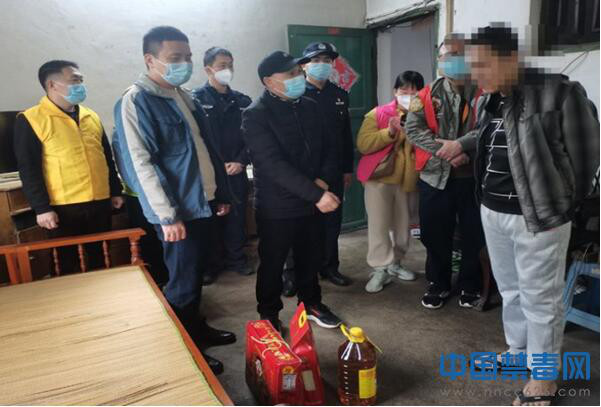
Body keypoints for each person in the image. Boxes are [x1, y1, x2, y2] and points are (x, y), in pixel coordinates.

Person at [467, 24, 599, 406]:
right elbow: (489, 145)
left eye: (483, 64)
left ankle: (543, 379)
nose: (476, 74)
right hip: (493, 211)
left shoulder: (560, 93)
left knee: (541, 298)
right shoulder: (489, 100)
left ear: (512, 59)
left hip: (539, 218)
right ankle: (518, 352)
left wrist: (562, 203)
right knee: (510, 290)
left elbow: (587, 156)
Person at [111, 26, 236, 375]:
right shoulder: (136, 100)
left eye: (188, 57)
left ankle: (196, 328)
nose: (185, 64)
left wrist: (219, 195)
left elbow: (205, 150)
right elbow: (140, 164)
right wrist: (167, 216)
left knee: (196, 275)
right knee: (181, 283)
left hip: (202, 203)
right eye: (175, 58)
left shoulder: (182, 95)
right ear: (150, 60)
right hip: (178, 212)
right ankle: (184, 350)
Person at [242, 50, 343, 331]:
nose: (298, 78)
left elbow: (330, 147)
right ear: (269, 81)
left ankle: (311, 304)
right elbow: (272, 164)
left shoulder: (310, 105)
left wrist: (323, 180)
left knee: (310, 257)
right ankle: (269, 313)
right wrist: (317, 193)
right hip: (278, 205)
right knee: (273, 262)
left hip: (311, 200)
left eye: (299, 72)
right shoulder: (255, 115)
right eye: (290, 74)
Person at [14, 60, 123, 274]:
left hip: (99, 202)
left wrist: (115, 191)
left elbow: (106, 158)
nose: (80, 85)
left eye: (81, 80)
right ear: (52, 85)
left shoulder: (91, 116)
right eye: (75, 80)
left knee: (101, 258)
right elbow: (29, 168)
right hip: (63, 207)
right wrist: (42, 208)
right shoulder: (31, 119)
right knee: (66, 263)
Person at [405, 34, 484, 310]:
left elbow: (489, 127)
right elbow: (413, 129)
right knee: (434, 233)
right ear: (439, 60)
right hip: (435, 177)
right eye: (446, 56)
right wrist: (447, 150)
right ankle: (438, 283)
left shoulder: (485, 92)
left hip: (472, 177)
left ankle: (470, 284)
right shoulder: (426, 95)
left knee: (474, 234)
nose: (452, 61)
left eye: (458, 55)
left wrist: (462, 147)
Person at [356, 71, 423, 293]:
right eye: (404, 90)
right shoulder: (378, 114)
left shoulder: (426, 115)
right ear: (395, 91)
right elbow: (364, 144)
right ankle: (380, 268)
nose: (409, 94)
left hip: (409, 180)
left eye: (415, 91)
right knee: (379, 226)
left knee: (404, 227)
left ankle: (396, 263)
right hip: (380, 180)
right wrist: (390, 132)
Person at [193, 47, 253, 285]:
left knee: (237, 217)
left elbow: (253, 137)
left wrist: (241, 160)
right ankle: (212, 265)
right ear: (208, 69)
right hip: (209, 173)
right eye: (221, 66)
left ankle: (237, 259)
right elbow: (195, 140)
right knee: (210, 219)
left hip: (236, 169)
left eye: (230, 65)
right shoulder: (195, 101)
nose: (227, 70)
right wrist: (213, 165)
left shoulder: (242, 101)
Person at [300, 41, 354, 287]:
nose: (322, 65)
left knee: (332, 223)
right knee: (302, 225)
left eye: (326, 61)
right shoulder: (295, 93)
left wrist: (347, 168)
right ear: (304, 65)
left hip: (334, 172)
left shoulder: (339, 95)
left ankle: (330, 267)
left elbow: (345, 136)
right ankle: (297, 274)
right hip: (305, 174)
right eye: (316, 60)